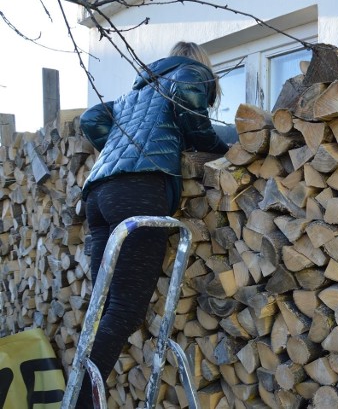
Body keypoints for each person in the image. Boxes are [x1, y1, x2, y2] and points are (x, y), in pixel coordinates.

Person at [75, 41, 229, 407]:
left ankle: (73, 396)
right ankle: (80, 403)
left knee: (102, 305)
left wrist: (119, 152)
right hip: (138, 190)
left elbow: (91, 119)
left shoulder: (136, 93)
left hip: (98, 193)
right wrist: (213, 144)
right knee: (126, 309)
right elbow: (189, 94)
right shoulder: (192, 72)